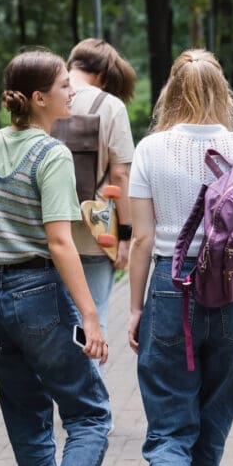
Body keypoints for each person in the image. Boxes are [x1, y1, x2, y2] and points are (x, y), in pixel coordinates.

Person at [127, 49, 233, 466]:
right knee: (212, 429)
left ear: (170, 92)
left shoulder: (149, 150)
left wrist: (136, 308)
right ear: (224, 93)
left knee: (168, 434)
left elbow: (141, 241)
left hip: (168, 291)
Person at [0, 50, 111, 466]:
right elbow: (61, 242)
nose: (72, 90)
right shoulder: (52, 153)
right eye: (64, 84)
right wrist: (91, 317)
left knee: (28, 425)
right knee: (90, 416)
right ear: (39, 98)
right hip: (39, 295)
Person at [65, 38, 137, 341]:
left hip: (48, 236)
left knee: (58, 327)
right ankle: (91, 390)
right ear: (104, 75)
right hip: (96, 235)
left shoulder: (41, 97)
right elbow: (121, 174)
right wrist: (125, 237)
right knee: (93, 323)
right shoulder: (110, 106)